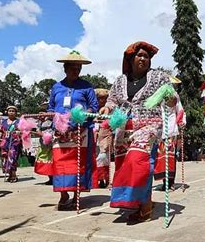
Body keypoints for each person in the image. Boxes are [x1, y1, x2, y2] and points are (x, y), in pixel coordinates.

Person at [99, 41, 178, 222]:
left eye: (146, 56)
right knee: (126, 165)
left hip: (149, 125)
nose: (143, 58)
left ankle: (146, 206)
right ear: (130, 58)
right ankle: (138, 201)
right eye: (139, 55)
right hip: (124, 127)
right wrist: (107, 109)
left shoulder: (159, 78)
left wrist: (171, 99)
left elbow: (171, 100)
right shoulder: (120, 81)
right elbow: (112, 100)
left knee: (138, 161)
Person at [47, 50, 99, 210]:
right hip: (60, 132)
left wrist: (81, 116)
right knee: (60, 163)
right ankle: (63, 195)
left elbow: (94, 107)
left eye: (78, 68)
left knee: (79, 163)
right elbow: (50, 107)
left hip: (80, 130)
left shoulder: (86, 87)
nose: (76, 71)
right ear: (65, 68)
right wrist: (49, 116)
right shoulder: (56, 87)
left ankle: (77, 195)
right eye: (72, 68)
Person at [94, 88, 112, 188]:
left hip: (105, 137)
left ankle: (107, 179)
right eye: (100, 98)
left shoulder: (109, 110)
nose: (102, 100)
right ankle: (99, 179)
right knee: (97, 159)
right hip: (95, 138)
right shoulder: (93, 109)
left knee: (104, 158)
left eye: (104, 98)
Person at [0, 106, 21, 183]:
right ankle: (9, 175)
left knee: (12, 157)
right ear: (7, 112)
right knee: (5, 158)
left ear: (16, 113)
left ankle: (13, 174)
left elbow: (23, 131)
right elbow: (1, 130)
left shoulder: (19, 122)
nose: (11, 112)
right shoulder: (3, 122)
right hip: (5, 142)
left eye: (13, 111)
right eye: (10, 111)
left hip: (14, 142)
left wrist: (19, 132)